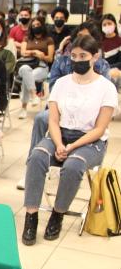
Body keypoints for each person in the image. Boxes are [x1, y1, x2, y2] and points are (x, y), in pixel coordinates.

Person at [21, 35, 118, 245]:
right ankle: (31, 216)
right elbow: (53, 120)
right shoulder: (61, 83)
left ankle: (58, 214)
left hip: (91, 141)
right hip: (60, 134)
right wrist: (59, 144)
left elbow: (100, 129)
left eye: (83, 56)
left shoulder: (106, 87)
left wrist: (72, 146)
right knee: (36, 157)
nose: (77, 60)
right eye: (73, 56)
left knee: (73, 166)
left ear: (95, 57)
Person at [16, 21, 111, 191]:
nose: (82, 41)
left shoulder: (101, 65)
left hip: (88, 112)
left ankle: (73, 162)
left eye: (87, 38)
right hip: (61, 107)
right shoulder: (62, 61)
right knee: (41, 119)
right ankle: (32, 167)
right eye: (79, 37)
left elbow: (103, 98)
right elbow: (53, 87)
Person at [17, 16, 55, 119]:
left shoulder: (49, 40)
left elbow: (50, 58)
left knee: (27, 77)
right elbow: (23, 52)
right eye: (33, 25)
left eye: (38, 24)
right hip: (26, 64)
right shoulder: (27, 38)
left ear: (42, 25)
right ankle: (34, 95)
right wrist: (35, 52)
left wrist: (42, 56)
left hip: (41, 67)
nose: (36, 27)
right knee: (25, 70)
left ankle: (23, 108)